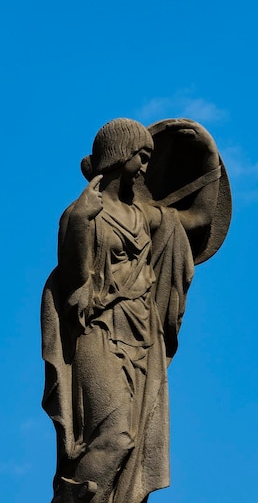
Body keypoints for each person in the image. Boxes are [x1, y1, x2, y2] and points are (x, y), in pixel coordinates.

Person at [42, 118, 221, 503]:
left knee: (134, 442)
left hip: (141, 335)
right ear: (121, 154)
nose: (144, 167)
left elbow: (201, 218)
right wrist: (77, 223)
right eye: (142, 157)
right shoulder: (82, 214)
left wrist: (209, 160)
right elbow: (74, 284)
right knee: (115, 436)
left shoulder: (143, 215)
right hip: (99, 331)